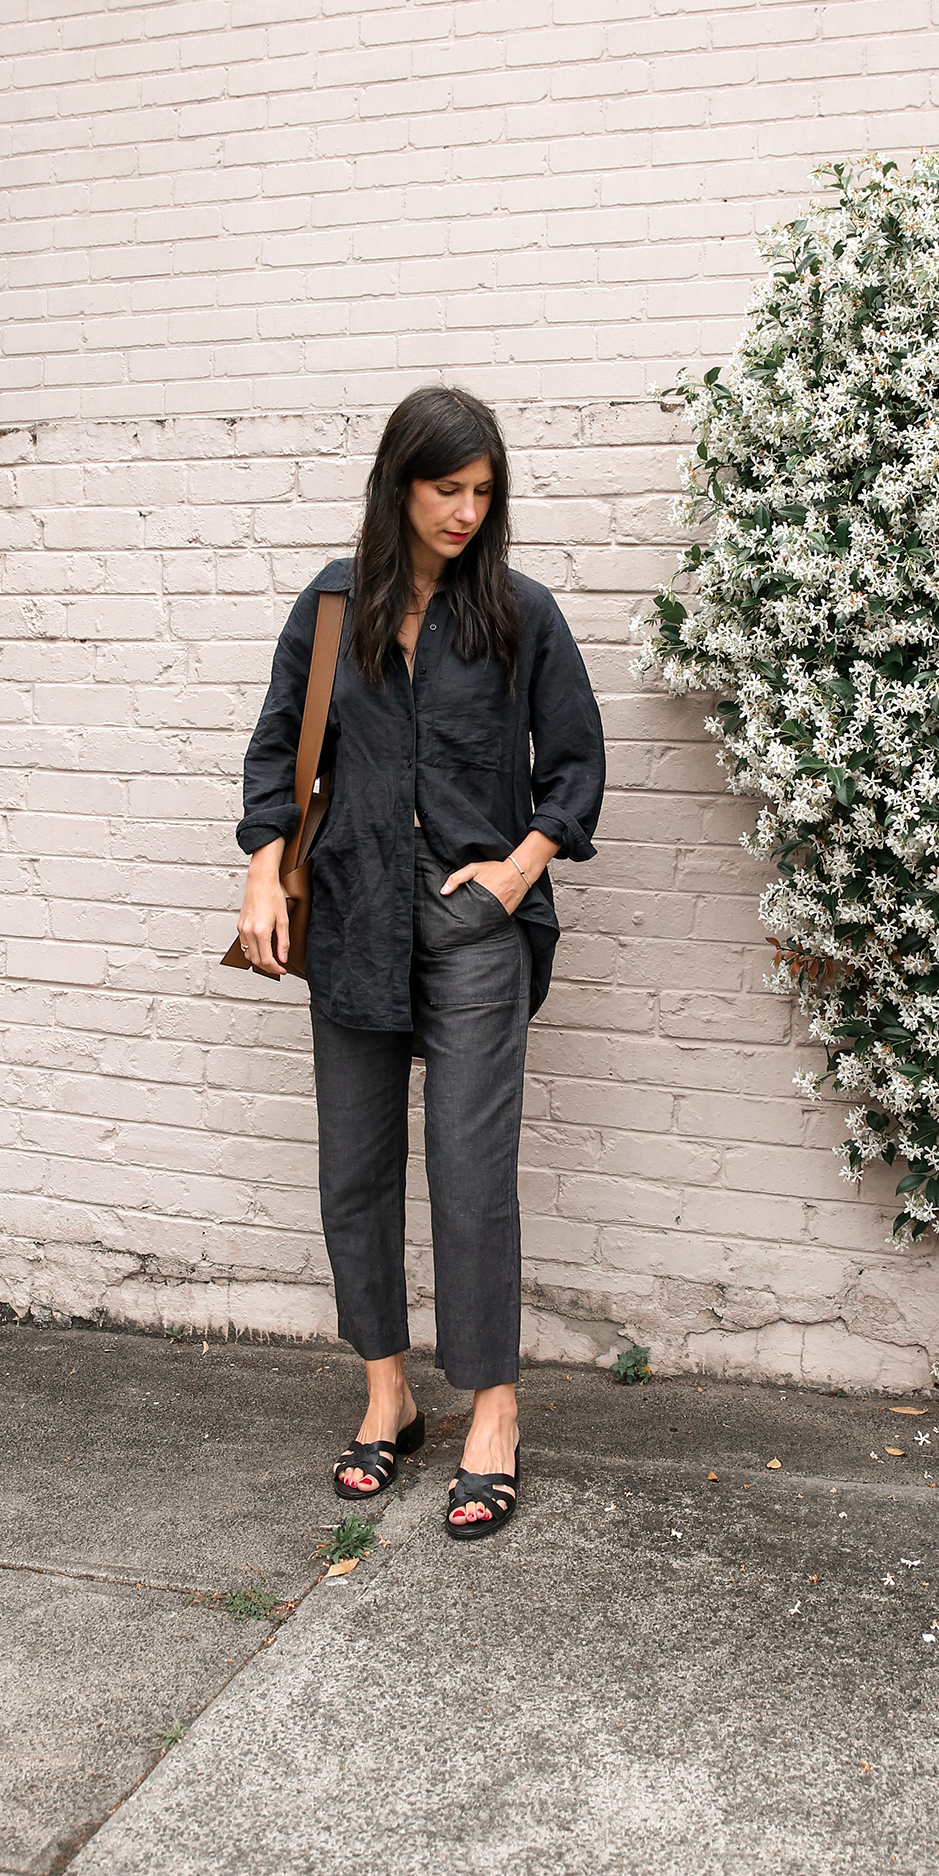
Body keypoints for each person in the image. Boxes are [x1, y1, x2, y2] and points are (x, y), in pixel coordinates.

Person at [235, 386, 605, 1541]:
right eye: (449, 488)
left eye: (483, 492)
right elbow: (275, 750)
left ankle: (492, 1411)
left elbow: (578, 765)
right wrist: (262, 869)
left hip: (473, 931)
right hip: (349, 914)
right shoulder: (333, 607)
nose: (465, 511)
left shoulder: (520, 613)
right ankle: (386, 1394)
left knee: (468, 1168)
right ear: (401, 483)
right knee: (354, 1166)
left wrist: (517, 870)